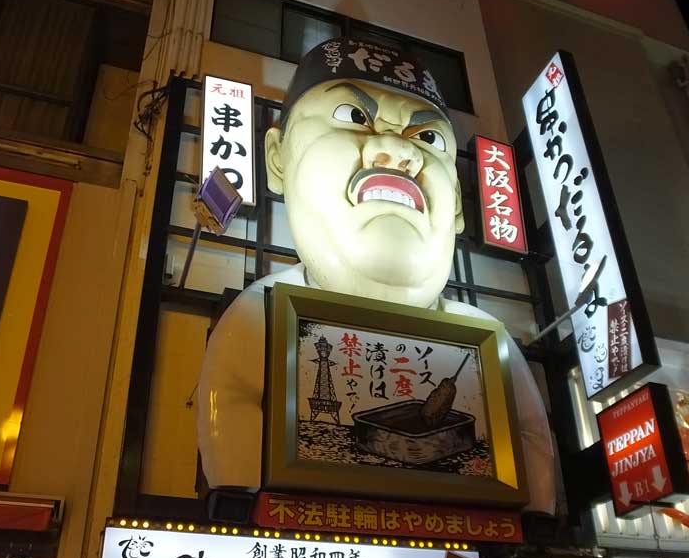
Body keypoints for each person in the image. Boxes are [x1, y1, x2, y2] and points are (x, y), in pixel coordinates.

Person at [197, 38, 557, 513]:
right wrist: (241, 498)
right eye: (352, 117)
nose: (394, 151)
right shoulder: (265, 307)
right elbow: (234, 401)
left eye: (426, 139)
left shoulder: (486, 335)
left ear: (457, 205)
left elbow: (529, 434)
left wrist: (536, 520)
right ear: (278, 158)